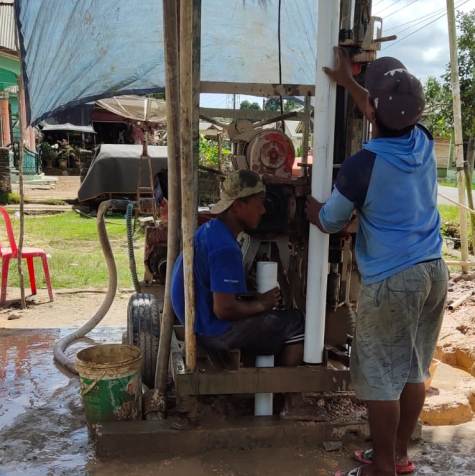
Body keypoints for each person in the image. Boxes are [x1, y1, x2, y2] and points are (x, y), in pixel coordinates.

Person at [306, 49, 448, 476]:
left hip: (393, 280)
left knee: (380, 376)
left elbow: (330, 221)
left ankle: (380, 468)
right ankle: (399, 455)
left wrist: (308, 205)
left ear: (372, 110)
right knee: (413, 368)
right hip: (433, 272)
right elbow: (382, 107)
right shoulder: (421, 140)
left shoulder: (361, 165)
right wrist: (349, 83)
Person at [171, 169, 304, 367]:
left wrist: (253, 298)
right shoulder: (226, 248)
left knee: (270, 317)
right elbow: (224, 309)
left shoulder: (212, 230)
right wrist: (263, 304)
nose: (263, 210)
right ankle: (287, 394)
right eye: (259, 203)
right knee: (297, 323)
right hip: (212, 331)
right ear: (238, 206)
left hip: (197, 321)